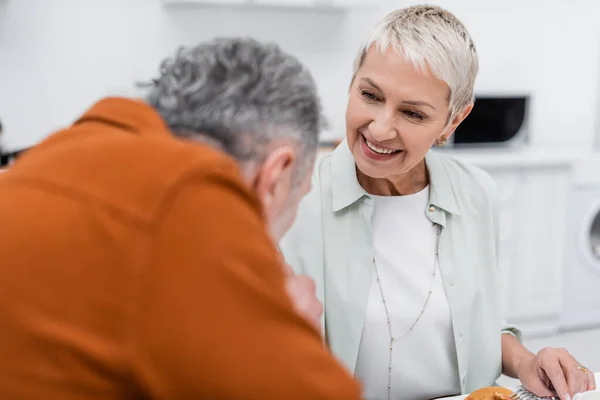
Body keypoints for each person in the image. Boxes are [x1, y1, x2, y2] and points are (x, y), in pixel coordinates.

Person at [0, 38, 362, 400]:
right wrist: (287, 325)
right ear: (275, 177)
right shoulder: (187, 199)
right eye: (296, 200)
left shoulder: (58, 154)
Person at [280, 5, 595, 400]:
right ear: (351, 85)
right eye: (369, 95)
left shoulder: (476, 194)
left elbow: (477, 327)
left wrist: (529, 362)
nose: (379, 127)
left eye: (412, 113)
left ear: (453, 122)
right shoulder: (293, 198)